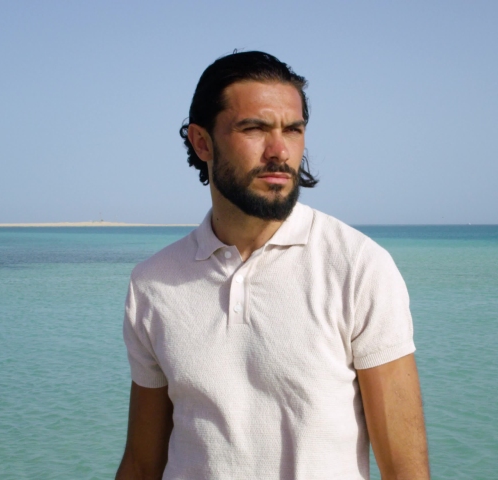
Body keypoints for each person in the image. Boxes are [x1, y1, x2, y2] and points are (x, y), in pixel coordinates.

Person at [116, 51, 430, 480]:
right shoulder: (153, 283)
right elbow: (141, 464)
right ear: (202, 142)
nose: (280, 151)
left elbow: (404, 470)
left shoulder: (358, 266)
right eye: (254, 129)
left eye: (293, 130)